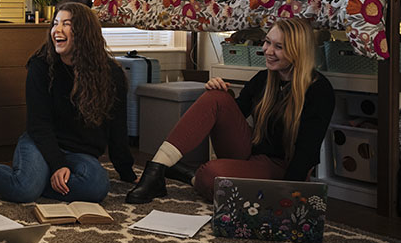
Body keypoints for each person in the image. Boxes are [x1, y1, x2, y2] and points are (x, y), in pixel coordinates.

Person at [126, 17, 335, 204]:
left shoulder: (318, 90)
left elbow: (307, 152)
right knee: (216, 96)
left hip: (283, 168)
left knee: (210, 174)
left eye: (278, 47)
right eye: (267, 42)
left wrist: (287, 194)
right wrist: (220, 93)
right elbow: (235, 115)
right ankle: (155, 170)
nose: (268, 51)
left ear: (298, 51)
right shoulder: (264, 79)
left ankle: (188, 175)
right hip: (252, 154)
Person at [0, 2, 135, 203]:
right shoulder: (41, 65)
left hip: (80, 153)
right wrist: (57, 165)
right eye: (55, 23)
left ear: (85, 33)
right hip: (40, 143)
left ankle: (11, 180)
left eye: (67, 24)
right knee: (24, 191)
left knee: (97, 187)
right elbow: (38, 125)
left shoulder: (111, 74)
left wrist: (126, 172)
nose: (57, 30)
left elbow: (117, 128)